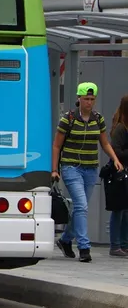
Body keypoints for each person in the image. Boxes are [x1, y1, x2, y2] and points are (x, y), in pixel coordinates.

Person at [52, 82, 124, 263]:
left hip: (91, 168)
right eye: (86, 99)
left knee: (80, 208)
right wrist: (54, 169)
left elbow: (105, 142)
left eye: (92, 99)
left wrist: (115, 158)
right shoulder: (68, 119)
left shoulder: (97, 119)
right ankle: (84, 247)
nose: (89, 102)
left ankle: (66, 240)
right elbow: (57, 146)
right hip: (71, 167)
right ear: (79, 98)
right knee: (81, 205)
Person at [107, 94, 128, 257]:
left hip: (124, 174)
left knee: (125, 211)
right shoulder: (121, 128)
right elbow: (116, 151)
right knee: (119, 210)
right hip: (120, 174)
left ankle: (123, 244)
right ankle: (116, 245)